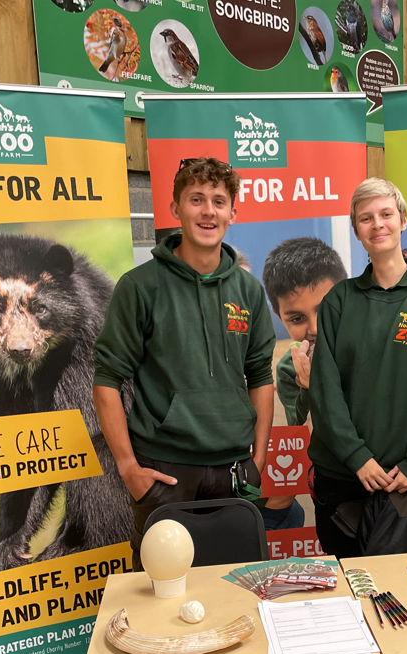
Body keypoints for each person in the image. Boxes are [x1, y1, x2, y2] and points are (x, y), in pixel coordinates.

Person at [92, 157, 275, 569]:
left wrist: (259, 459)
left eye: (218, 200)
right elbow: (106, 379)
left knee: (237, 593)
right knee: (161, 599)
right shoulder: (139, 287)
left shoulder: (247, 290)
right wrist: (127, 467)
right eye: (196, 199)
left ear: (232, 212)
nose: (208, 211)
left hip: (233, 473)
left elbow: (261, 376)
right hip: (165, 475)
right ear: (175, 209)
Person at [308, 178, 407, 558]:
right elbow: (325, 390)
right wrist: (357, 457)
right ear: (357, 229)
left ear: (403, 220)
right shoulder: (338, 302)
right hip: (344, 479)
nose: (377, 224)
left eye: (386, 214)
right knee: (351, 590)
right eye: (365, 218)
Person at [255, 237, 349, 531]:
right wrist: (310, 388)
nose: (314, 328)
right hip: (334, 498)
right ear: (278, 315)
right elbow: (303, 435)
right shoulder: (288, 369)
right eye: (296, 318)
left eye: (325, 309)